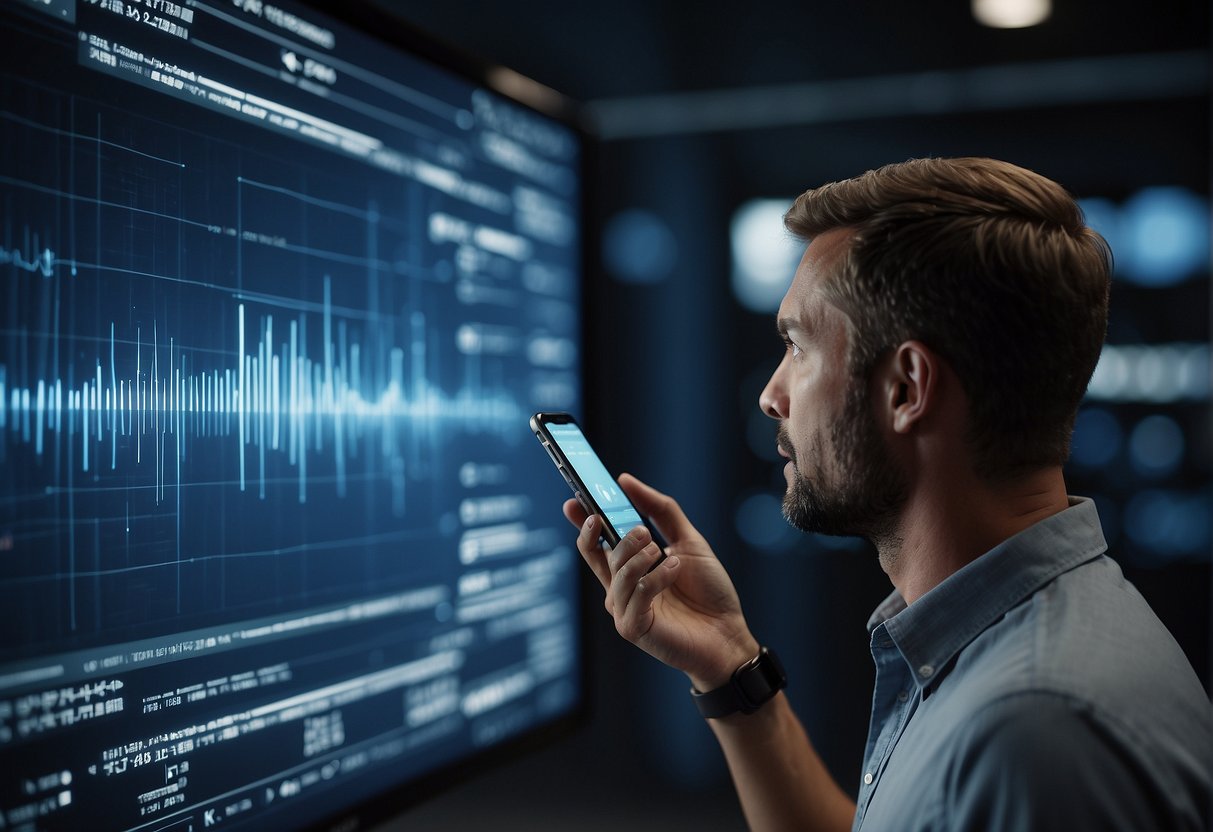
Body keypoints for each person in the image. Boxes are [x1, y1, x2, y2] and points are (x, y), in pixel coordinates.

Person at [562, 157, 1212, 831]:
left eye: (798, 348)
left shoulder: (1031, 731)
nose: (770, 395)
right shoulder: (1018, 649)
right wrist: (730, 666)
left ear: (905, 388)